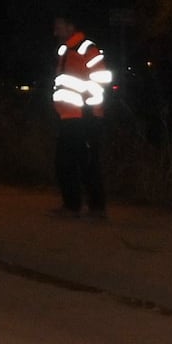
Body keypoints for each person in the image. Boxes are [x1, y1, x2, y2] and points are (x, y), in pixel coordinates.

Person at [47, 25, 117, 218]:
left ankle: (96, 208)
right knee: (65, 163)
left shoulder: (87, 49)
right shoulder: (65, 50)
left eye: (58, 26)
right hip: (68, 117)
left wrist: (89, 108)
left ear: (70, 26)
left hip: (84, 117)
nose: (55, 32)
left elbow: (102, 80)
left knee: (87, 163)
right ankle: (72, 205)